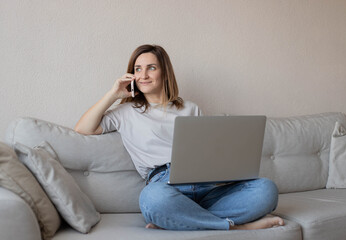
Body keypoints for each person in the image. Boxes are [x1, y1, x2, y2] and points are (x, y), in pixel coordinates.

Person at [74, 44, 284, 230]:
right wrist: (113, 94)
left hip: (207, 188)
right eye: (138, 69)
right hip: (164, 186)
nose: (143, 74)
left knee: (266, 189)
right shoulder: (126, 112)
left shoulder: (190, 109)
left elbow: (210, 153)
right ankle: (236, 227)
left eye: (151, 68)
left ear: (164, 72)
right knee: (152, 200)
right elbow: (83, 128)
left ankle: (180, 219)